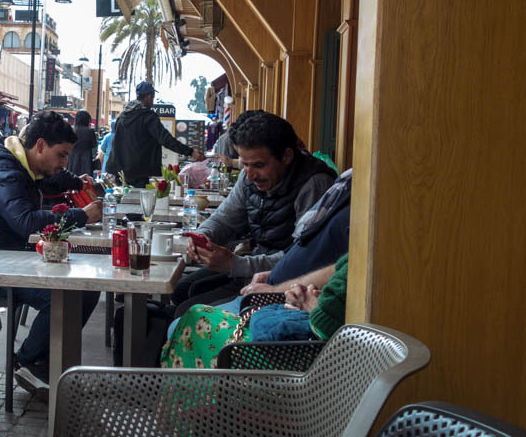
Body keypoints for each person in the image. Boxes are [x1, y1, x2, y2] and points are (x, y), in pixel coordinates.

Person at [0, 110, 104, 398]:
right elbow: (24, 221)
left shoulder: (20, 165)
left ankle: (39, 362)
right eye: (61, 155)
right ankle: (29, 361)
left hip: (4, 255)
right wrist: (81, 216)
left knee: (86, 289)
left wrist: (76, 182)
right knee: (67, 295)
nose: (64, 162)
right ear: (40, 146)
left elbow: (53, 179)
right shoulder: (5, 171)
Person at [174, 109, 336, 308]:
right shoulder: (248, 176)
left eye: (259, 165)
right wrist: (202, 236)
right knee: (182, 289)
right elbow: (225, 218)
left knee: (187, 310)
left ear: (287, 156)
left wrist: (234, 264)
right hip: (251, 270)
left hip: (286, 287)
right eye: (244, 165)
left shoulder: (314, 185)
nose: (250, 175)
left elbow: (301, 259)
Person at [160, 255, 348, 369]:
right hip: (295, 331)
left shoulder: (358, 247)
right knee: (193, 312)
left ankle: (191, 417)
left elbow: (325, 322)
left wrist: (309, 302)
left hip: (298, 357)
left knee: (193, 320)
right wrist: (305, 295)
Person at [106, 81, 204, 186]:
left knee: (122, 196)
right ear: (148, 96)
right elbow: (166, 139)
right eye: (152, 97)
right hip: (139, 173)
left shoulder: (122, 116)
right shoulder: (148, 117)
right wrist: (190, 152)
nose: (152, 102)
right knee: (139, 196)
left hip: (120, 172)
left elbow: (116, 142)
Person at [66, 109, 97, 177]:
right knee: (86, 180)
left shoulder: (71, 130)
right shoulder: (90, 131)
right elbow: (94, 145)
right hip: (86, 161)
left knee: (72, 179)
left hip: (72, 159)